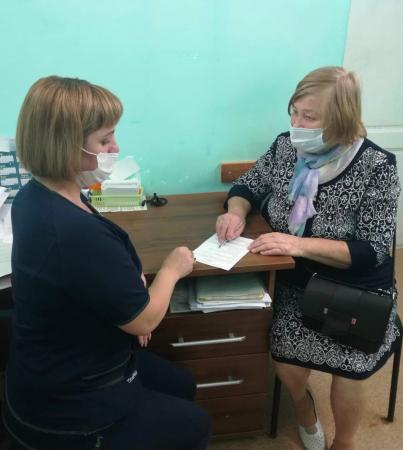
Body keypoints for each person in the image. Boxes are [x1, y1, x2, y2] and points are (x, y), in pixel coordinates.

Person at [2, 76, 211, 450]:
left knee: (181, 384)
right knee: (196, 425)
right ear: (66, 146)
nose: (115, 148)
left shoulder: (34, 196)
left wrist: (128, 293)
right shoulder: (74, 231)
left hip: (47, 365)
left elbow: (82, 275)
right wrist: (172, 269)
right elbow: (144, 320)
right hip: (68, 408)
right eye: (104, 140)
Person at [216, 66, 401, 450]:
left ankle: (345, 442)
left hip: (354, 289)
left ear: (341, 118)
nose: (296, 125)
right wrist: (235, 212)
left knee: (349, 370)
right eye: (294, 112)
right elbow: (247, 185)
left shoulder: (377, 167)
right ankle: (303, 408)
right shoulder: (286, 147)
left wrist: (297, 245)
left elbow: (372, 250)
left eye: (309, 117)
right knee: (285, 359)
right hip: (296, 281)